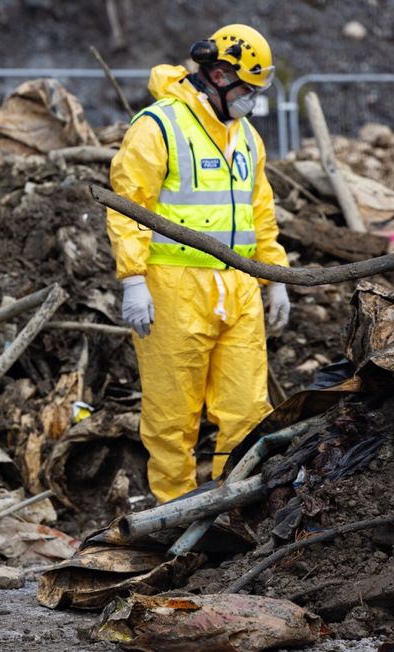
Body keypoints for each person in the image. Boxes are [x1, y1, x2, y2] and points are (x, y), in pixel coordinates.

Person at [106, 24, 291, 504]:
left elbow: (260, 210)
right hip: (173, 290)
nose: (252, 99)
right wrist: (133, 279)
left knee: (248, 408)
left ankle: (235, 508)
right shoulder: (159, 126)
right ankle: (172, 511)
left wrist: (275, 277)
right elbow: (129, 206)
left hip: (240, 287)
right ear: (218, 73)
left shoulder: (246, 137)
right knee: (172, 414)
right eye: (248, 88)